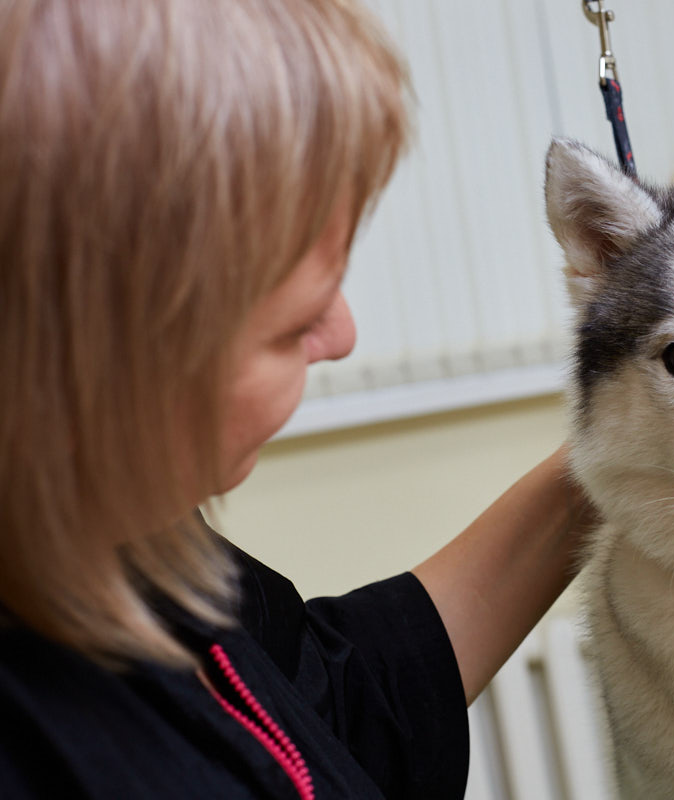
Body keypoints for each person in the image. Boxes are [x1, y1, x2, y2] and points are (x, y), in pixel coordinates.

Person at [0, 1, 593, 797]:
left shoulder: (130, 540)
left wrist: (615, 459)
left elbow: (328, 716)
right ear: (92, 358)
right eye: (294, 324)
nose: (342, 334)